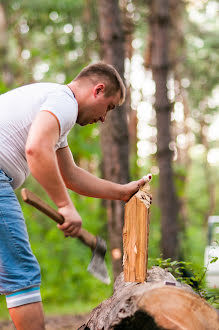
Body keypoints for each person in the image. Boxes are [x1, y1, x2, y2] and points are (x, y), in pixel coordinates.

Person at [0, 62, 147, 329]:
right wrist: (65, 207)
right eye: (109, 107)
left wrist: (122, 192)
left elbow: (71, 176)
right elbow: (35, 149)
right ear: (98, 90)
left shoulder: (53, 106)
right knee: (22, 274)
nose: (104, 118)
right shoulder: (63, 101)